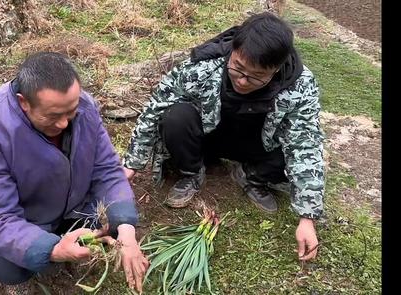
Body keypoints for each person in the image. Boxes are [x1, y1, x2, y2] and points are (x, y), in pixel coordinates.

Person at [122, 12, 325, 262]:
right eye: (237, 68)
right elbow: (156, 107)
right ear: (234, 49)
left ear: (276, 69)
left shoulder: (300, 86)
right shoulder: (205, 65)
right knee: (175, 117)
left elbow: (306, 144)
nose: (242, 80)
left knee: (294, 151)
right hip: (210, 137)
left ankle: (253, 176)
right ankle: (192, 172)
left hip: (258, 145)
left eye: (255, 76)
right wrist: (131, 164)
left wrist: (307, 216)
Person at [0, 52, 149, 293]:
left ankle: (70, 233)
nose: (64, 123)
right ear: (24, 103)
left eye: (70, 111)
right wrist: (52, 249)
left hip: (74, 203)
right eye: (53, 116)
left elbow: (107, 170)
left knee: (114, 224)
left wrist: (126, 228)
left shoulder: (84, 106)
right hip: (28, 217)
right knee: (7, 267)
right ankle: (42, 250)